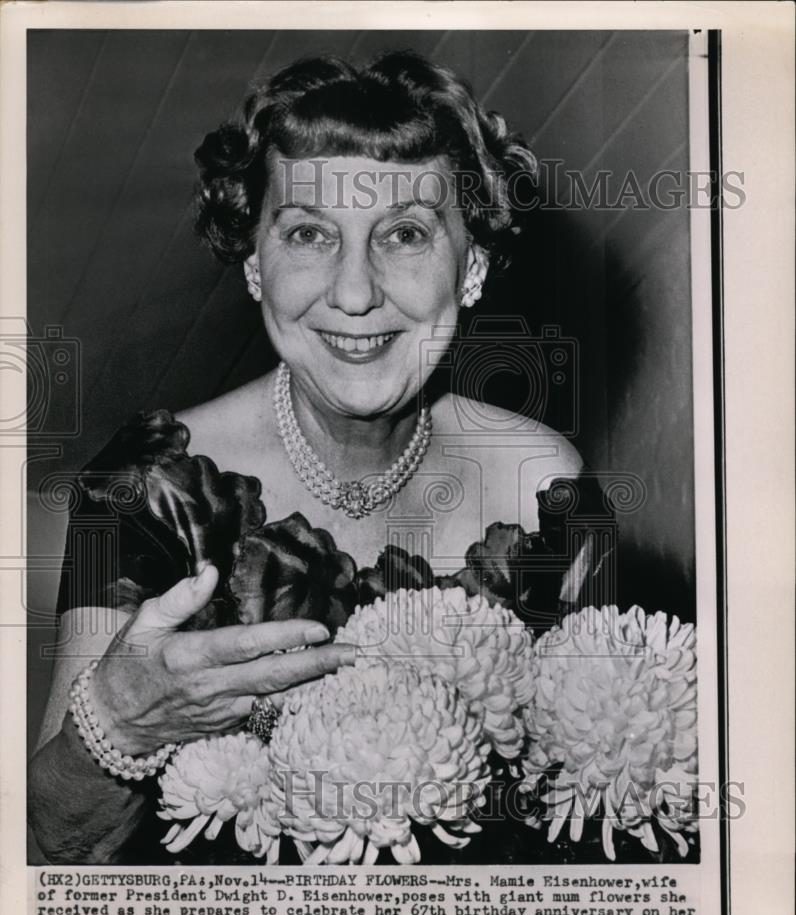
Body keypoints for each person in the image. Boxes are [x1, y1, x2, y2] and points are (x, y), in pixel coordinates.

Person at [29, 51, 612, 864]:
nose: (352, 294)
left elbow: (584, 819)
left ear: (471, 264)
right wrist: (120, 721)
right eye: (308, 234)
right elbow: (51, 850)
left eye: (405, 234)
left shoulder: (544, 485)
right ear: (254, 263)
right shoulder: (140, 486)